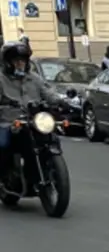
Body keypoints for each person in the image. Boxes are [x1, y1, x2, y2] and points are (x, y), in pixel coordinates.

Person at [0, 42, 60, 177]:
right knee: (3, 144)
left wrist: (60, 100)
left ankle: (47, 169)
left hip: (34, 120)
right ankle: (4, 176)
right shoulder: (2, 79)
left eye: (23, 60)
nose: (20, 64)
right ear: (7, 62)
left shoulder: (34, 78)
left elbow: (48, 92)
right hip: (8, 121)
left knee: (52, 137)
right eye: (16, 60)